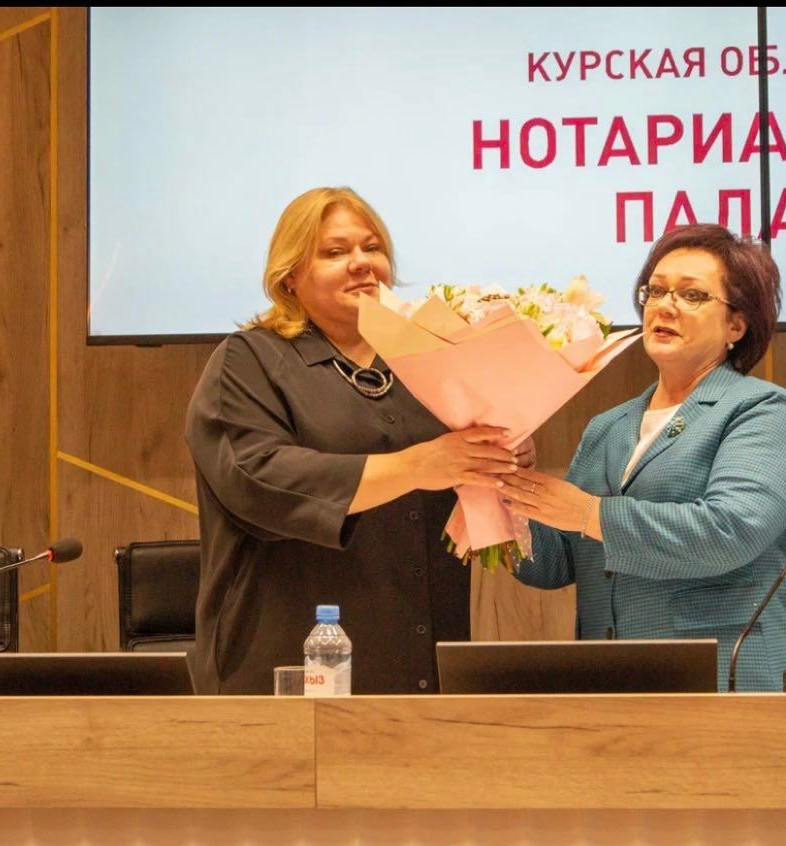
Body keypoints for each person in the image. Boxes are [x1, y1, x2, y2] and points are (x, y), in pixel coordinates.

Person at [184, 187, 531, 694]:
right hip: (286, 665)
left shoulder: (427, 362)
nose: (362, 263)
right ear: (289, 276)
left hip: (421, 662)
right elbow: (258, 479)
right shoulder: (248, 361)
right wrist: (417, 465)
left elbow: (462, 478)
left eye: (373, 248)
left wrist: (500, 457)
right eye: (334, 252)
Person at [499, 223, 786, 692]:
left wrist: (590, 514)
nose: (664, 305)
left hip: (727, 682)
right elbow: (555, 562)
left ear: (736, 325)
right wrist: (509, 487)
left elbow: (731, 530)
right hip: (614, 685)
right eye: (656, 291)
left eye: (692, 295)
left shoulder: (761, 409)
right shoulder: (607, 426)